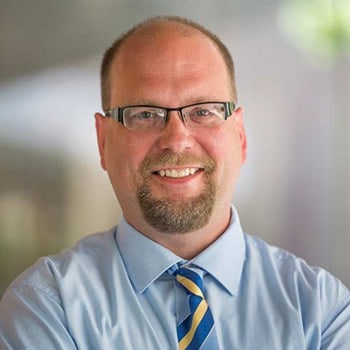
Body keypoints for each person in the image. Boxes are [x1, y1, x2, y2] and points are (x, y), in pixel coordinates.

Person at [0, 16, 349, 349]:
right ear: (103, 141)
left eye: (203, 111)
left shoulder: (321, 311)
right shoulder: (47, 308)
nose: (177, 139)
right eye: (145, 114)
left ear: (240, 136)